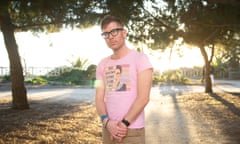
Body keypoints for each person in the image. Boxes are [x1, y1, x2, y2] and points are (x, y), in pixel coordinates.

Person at [95, 15, 153, 144]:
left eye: (114, 32)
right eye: (106, 34)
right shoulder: (101, 65)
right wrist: (106, 122)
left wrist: (124, 124)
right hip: (108, 130)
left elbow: (143, 98)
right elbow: (99, 98)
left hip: (132, 131)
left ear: (124, 33)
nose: (110, 37)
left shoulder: (141, 59)